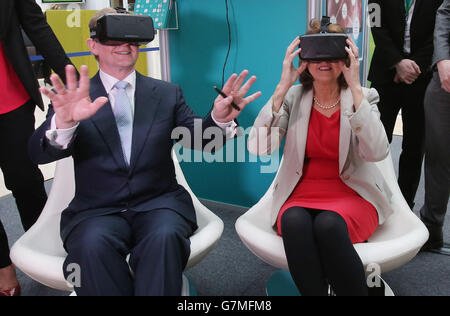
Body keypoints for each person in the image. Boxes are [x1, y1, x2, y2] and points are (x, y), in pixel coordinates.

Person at [29, 8, 261, 296]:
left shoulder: (166, 93)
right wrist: (64, 123)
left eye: (132, 38)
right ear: (93, 45)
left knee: (164, 239)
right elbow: (38, 155)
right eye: (114, 37)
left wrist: (220, 118)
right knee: (91, 247)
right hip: (97, 210)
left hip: (159, 203)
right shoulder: (75, 95)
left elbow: (204, 141)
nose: (125, 45)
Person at [248, 20, 393, 296]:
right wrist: (282, 85)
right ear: (304, 57)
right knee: (293, 221)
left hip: (353, 193)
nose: (323, 61)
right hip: (303, 191)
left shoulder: (364, 96)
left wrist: (354, 85)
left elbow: (377, 152)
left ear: (346, 56)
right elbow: (258, 147)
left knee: (328, 224)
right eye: (316, 52)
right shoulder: (294, 96)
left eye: (332, 52)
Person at [0, 0, 74, 296]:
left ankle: (44, 249)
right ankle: (4, 267)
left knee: (26, 181)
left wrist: (74, 77)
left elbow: (36, 25)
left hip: (10, 96)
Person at [368, 0, 443, 209]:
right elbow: (376, 25)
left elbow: (440, 32)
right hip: (385, 74)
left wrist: (413, 65)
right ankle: (372, 199)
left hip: (421, 77)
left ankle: (404, 205)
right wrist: (397, 62)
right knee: (375, 140)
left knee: (414, 145)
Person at [420, 0, 450, 253]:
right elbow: (445, 13)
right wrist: (442, 59)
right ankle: (431, 230)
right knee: (438, 155)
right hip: (445, 80)